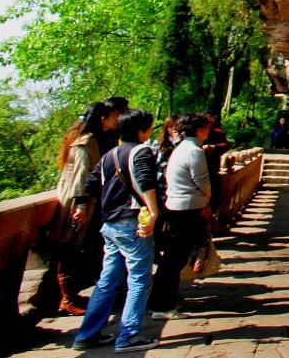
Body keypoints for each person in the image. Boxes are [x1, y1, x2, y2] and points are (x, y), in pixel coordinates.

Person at [70, 109, 162, 353]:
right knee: (139, 279)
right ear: (143, 129)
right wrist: (153, 212)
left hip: (109, 225)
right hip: (132, 223)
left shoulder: (109, 154)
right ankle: (128, 336)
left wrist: (82, 205)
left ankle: (86, 334)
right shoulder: (140, 151)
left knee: (107, 281)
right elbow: (146, 181)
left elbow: (89, 184)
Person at [53, 101, 119, 314]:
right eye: (112, 115)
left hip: (84, 200)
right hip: (77, 202)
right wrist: (81, 205)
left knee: (78, 247)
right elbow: (81, 175)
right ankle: (67, 299)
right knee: (69, 246)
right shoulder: (85, 142)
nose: (116, 119)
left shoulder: (88, 140)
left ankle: (71, 296)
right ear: (103, 119)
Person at [150, 114, 211, 319]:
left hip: (176, 206)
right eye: (206, 128)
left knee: (173, 257)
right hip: (186, 209)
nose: (208, 131)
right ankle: (162, 306)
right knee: (175, 259)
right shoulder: (194, 151)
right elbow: (202, 181)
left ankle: (161, 302)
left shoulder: (181, 148)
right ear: (199, 130)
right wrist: (207, 196)